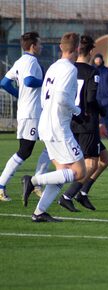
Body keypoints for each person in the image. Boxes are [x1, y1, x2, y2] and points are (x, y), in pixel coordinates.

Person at [21, 32, 86, 222]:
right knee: (80, 172)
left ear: (60, 48)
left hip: (46, 123)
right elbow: (62, 98)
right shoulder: (70, 69)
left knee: (62, 172)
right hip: (59, 127)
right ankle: (33, 181)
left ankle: (39, 213)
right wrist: (77, 111)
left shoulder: (53, 67)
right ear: (78, 49)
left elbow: (44, 96)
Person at [57, 35, 104, 212]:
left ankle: (82, 193)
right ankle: (67, 196)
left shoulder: (69, 67)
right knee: (91, 163)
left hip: (70, 119)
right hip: (87, 121)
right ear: (91, 51)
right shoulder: (93, 72)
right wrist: (102, 111)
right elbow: (91, 99)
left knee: (105, 159)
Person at [0, 31, 43, 202]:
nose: (42, 46)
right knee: (25, 151)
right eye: (39, 43)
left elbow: (4, 83)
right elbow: (29, 81)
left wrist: (19, 95)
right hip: (31, 113)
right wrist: (48, 80)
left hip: (26, 111)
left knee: (50, 143)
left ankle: (37, 182)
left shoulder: (19, 61)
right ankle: (3, 185)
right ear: (33, 46)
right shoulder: (31, 61)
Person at [93, 53, 108, 140]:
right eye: (96, 59)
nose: (98, 61)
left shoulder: (107, 71)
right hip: (94, 98)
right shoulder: (92, 70)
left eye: (99, 59)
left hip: (106, 99)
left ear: (102, 60)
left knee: (107, 117)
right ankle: (95, 136)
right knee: (94, 118)